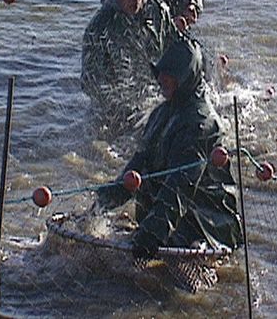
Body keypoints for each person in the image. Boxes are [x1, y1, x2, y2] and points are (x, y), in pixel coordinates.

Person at [96, 38, 242, 259]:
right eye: (161, 72)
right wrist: (99, 206)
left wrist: (151, 235)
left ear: (185, 78)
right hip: (170, 207)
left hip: (206, 220)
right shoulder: (161, 113)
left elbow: (180, 187)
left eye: (169, 75)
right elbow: (136, 168)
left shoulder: (201, 123)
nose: (161, 79)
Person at [81, 0, 181, 135]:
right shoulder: (99, 29)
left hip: (158, 99)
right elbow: (90, 82)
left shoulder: (158, 11)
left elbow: (179, 48)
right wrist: (126, 110)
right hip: (117, 116)